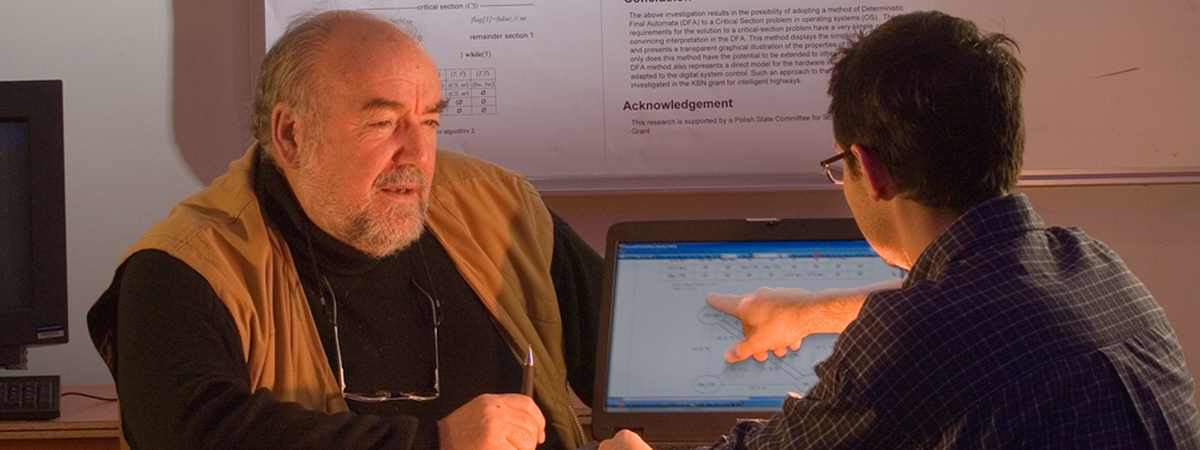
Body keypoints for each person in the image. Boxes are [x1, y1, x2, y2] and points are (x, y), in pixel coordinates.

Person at [602, 11, 1200, 449]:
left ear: (870, 170)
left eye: (840, 167)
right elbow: (981, 305)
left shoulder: (913, 338)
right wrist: (806, 311)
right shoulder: (1092, 262)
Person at [86, 10, 601, 450]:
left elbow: (629, 363)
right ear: (291, 135)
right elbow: (195, 433)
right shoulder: (183, 267)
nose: (418, 155)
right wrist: (437, 441)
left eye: (429, 122)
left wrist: (629, 436)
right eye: (383, 123)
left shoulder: (500, 209)